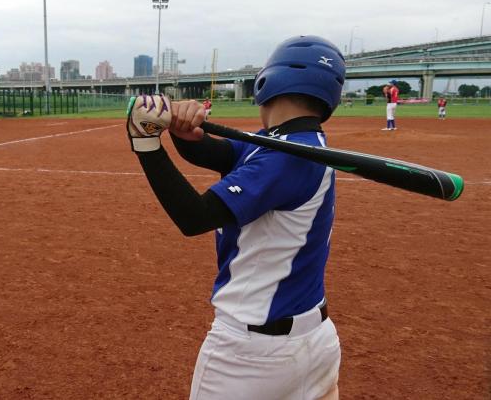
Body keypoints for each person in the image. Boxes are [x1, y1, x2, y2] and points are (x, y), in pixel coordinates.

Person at [126, 35, 344, 400]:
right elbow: (219, 153)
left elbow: (194, 217)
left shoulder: (285, 157)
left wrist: (145, 142)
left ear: (268, 80)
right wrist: (183, 132)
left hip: (251, 357)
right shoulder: (292, 143)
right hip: (315, 344)